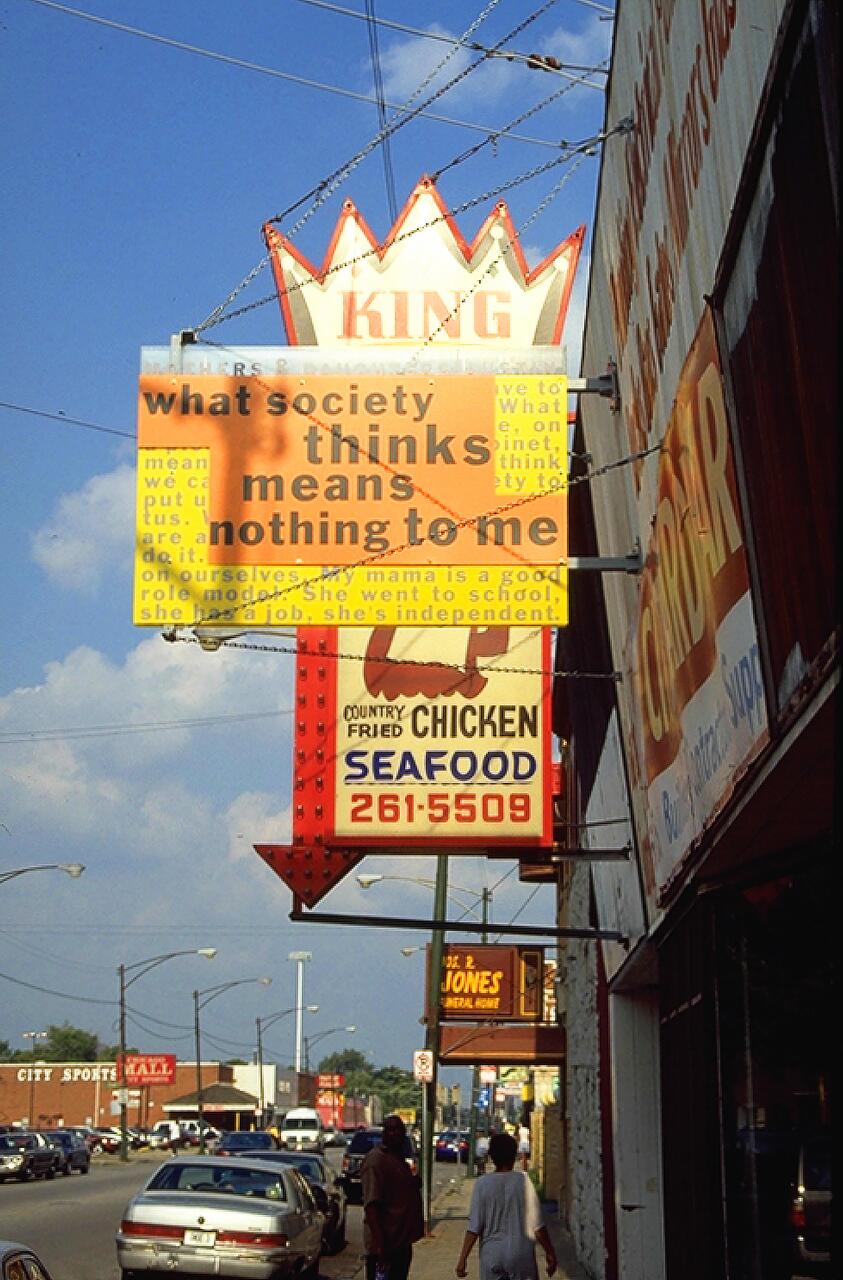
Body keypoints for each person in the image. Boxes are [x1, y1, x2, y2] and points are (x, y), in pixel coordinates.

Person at [455, 1132, 557, 1280]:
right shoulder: (523, 1181)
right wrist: (550, 1252)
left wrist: (462, 1259)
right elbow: (537, 1225)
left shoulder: (482, 1184)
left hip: (492, 1255)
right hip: (522, 1255)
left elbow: (474, 1227)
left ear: (492, 1156)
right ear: (514, 1154)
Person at [361, 1113, 424, 1280]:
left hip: (400, 1243)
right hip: (385, 1245)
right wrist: (381, 1246)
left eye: (399, 1131)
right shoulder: (376, 1160)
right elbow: (372, 1206)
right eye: (390, 1130)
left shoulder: (397, 1158)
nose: (395, 1134)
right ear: (384, 1134)